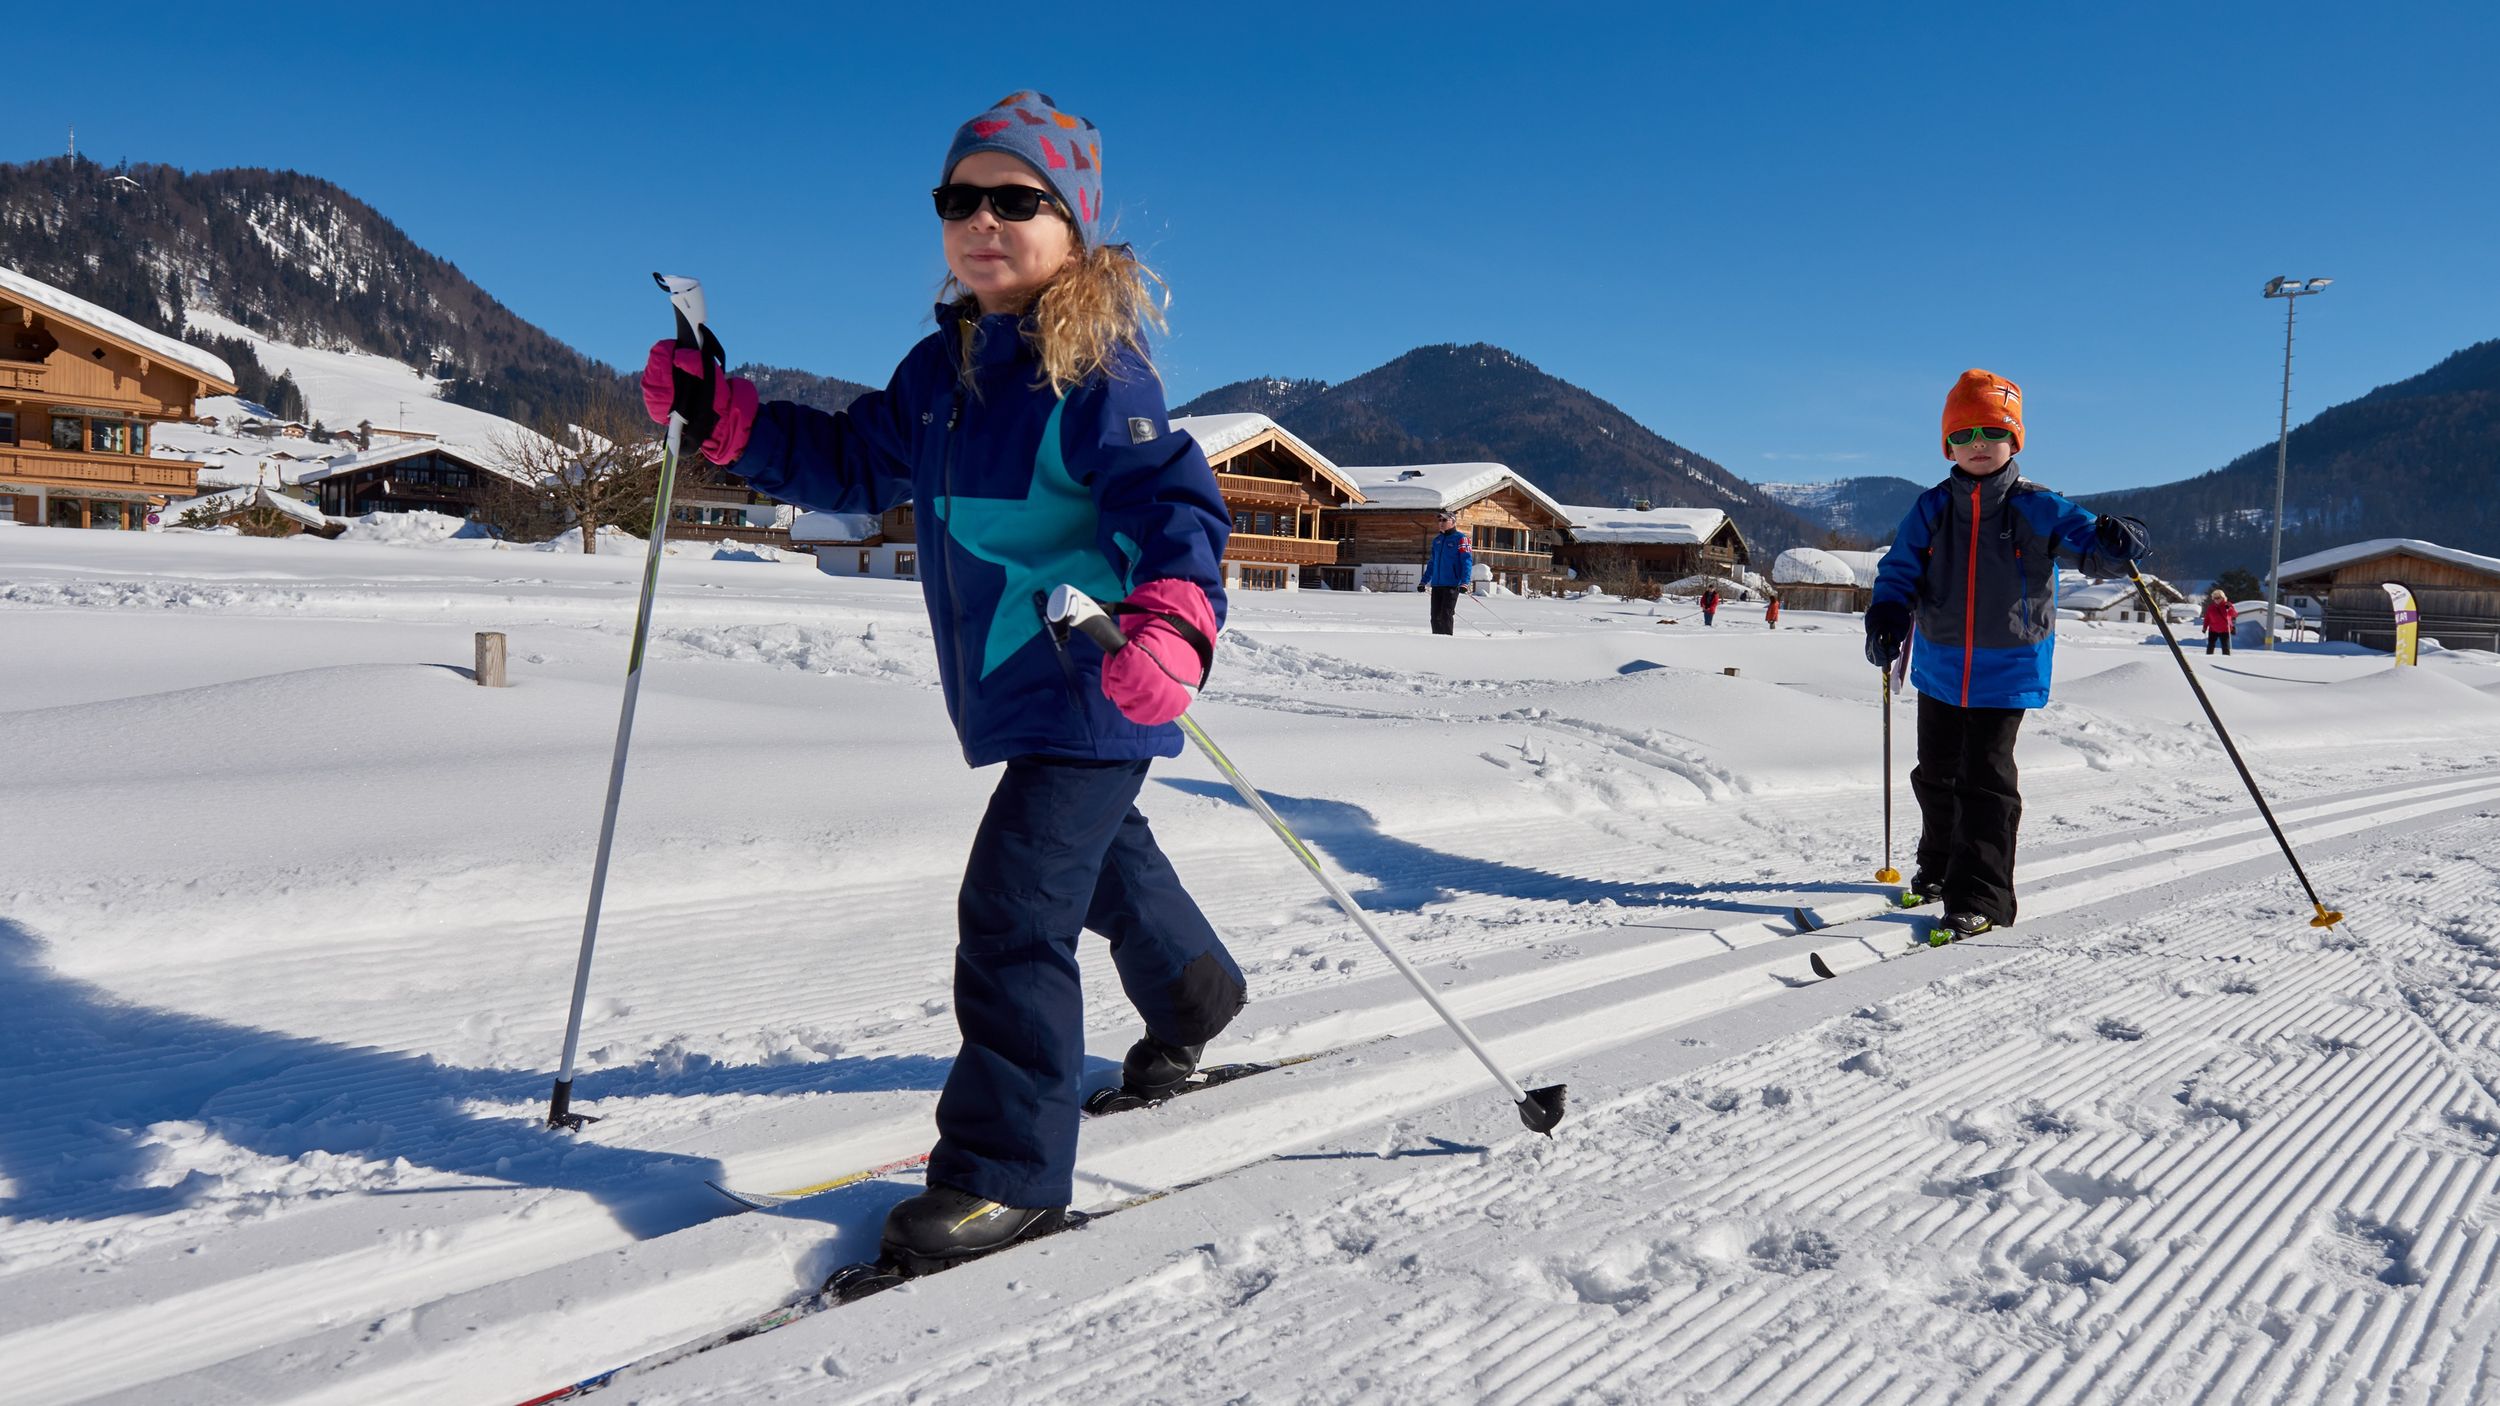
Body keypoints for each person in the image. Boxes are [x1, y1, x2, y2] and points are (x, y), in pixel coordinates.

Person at [640, 90, 1246, 1275]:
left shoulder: (1097, 369)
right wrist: (726, 420)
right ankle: (1194, 996)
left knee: (1015, 906)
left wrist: (1174, 619)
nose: (982, 218)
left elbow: (1172, 501)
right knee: (1099, 859)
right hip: (1013, 685)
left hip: (1093, 672)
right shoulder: (938, 371)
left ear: (1070, 223)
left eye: (1015, 198)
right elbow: (850, 462)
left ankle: (1007, 1171)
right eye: (959, 198)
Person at [1864, 370, 2148, 942]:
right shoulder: (1932, 508)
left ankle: (1983, 895)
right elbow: (1899, 568)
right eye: (1963, 434)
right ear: (1947, 444)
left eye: (1991, 432)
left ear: (2014, 440)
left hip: (2008, 667)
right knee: (1936, 774)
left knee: (1986, 782)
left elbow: (2098, 546)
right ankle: (1939, 870)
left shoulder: (2036, 506)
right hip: (1941, 665)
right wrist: (1887, 615)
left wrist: (2126, 538)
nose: (1977, 444)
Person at [1421, 509, 1473, 634]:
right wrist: (1423, 581)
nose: (1441, 522)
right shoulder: (1437, 540)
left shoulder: (1461, 539)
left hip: (1452, 584)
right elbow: (1432, 563)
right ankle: (1437, 643)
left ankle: (1448, 643)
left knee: (1446, 615)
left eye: (1444, 520)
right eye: (1439, 520)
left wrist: (1465, 582)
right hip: (1437, 584)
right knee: (1435, 617)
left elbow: (1467, 562)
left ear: (1453, 522)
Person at [2202, 588, 2236, 655]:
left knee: (2225, 647)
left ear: (2223, 597)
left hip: (2225, 630)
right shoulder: (2211, 607)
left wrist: (2230, 608)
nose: (2216, 600)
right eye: (2215, 598)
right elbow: (2207, 618)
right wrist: (2204, 627)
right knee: (2210, 646)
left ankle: (2226, 660)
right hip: (2213, 629)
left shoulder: (2227, 605)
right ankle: (2208, 659)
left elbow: (2234, 614)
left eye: (2218, 598)